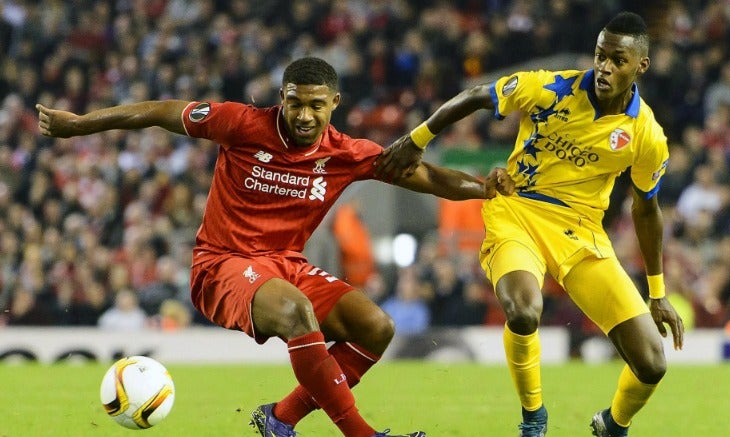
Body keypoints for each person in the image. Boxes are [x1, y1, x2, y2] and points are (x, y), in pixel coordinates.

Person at [37, 56, 510, 437]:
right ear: (281, 99)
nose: (304, 115)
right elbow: (162, 111)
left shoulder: (346, 153)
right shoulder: (241, 123)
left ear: (335, 104)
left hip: (287, 266)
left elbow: (426, 177)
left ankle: (280, 419)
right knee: (297, 312)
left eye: (316, 105)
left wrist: (482, 188)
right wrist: (80, 125)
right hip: (223, 264)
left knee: (376, 327)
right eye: (294, 103)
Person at [376, 12, 685, 437]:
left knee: (652, 363)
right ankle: (534, 420)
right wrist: (416, 139)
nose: (605, 67)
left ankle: (613, 424)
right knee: (523, 311)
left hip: (581, 232)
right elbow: (474, 96)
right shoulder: (550, 87)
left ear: (640, 66)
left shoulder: (646, 134)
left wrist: (658, 292)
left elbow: (646, 208)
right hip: (518, 211)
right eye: (600, 56)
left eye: (618, 60)